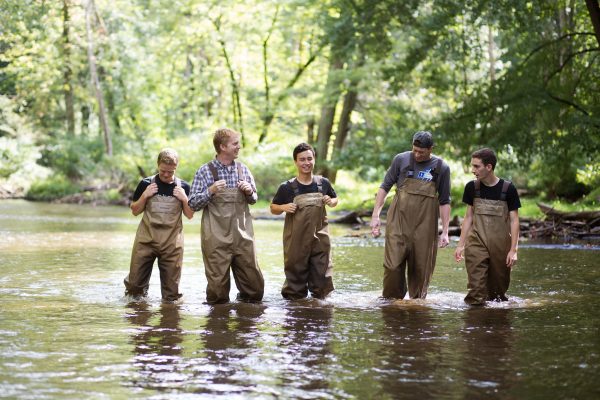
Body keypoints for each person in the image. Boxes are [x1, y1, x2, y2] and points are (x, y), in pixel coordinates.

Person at [371, 131, 451, 299]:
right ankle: (392, 304)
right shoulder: (401, 160)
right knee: (392, 267)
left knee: (421, 270)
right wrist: (375, 216)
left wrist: (445, 231)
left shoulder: (441, 168)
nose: (417, 154)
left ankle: (417, 308)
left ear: (431, 149)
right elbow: (384, 187)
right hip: (398, 223)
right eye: (414, 150)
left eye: (421, 152)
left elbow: (444, 201)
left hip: (425, 228)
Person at [188, 128, 264, 304]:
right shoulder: (205, 171)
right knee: (217, 292)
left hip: (243, 236)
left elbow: (253, 199)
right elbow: (192, 204)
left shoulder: (243, 169)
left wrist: (249, 192)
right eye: (235, 143)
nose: (239, 147)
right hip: (215, 238)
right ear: (222, 147)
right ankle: (218, 327)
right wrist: (210, 191)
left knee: (255, 289)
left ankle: (246, 323)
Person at [124, 148, 195, 301]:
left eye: (170, 172)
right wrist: (144, 196)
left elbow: (190, 215)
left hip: (172, 245)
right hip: (145, 241)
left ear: (176, 168)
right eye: (163, 171)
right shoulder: (145, 184)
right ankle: (138, 318)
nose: (166, 175)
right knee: (134, 288)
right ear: (158, 165)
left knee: (171, 294)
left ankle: (169, 321)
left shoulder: (184, 187)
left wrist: (184, 199)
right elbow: (135, 211)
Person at [270, 143, 338, 300]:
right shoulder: (287, 187)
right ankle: (296, 311)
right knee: (295, 281)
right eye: (302, 159)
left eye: (309, 158)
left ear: (314, 160)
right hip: (296, 241)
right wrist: (283, 207)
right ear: (295, 162)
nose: (306, 163)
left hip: (320, 239)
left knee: (322, 280)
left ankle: (320, 312)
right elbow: (273, 208)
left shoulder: (323, 183)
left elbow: (335, 199)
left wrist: (332, 201)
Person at [454, 148, 520, 305]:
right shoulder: (472, 188)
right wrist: (460, 245)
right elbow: (468, 217)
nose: (473, 170)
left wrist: (513, 250)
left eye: (477, 166)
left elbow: (514, 221)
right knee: (476, 291)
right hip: (476, 243)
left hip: (501, 247)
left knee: (497, 296)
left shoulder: (508, 189)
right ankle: (474, 327)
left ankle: (493, 328)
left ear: (489, 167)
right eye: (472, 166)